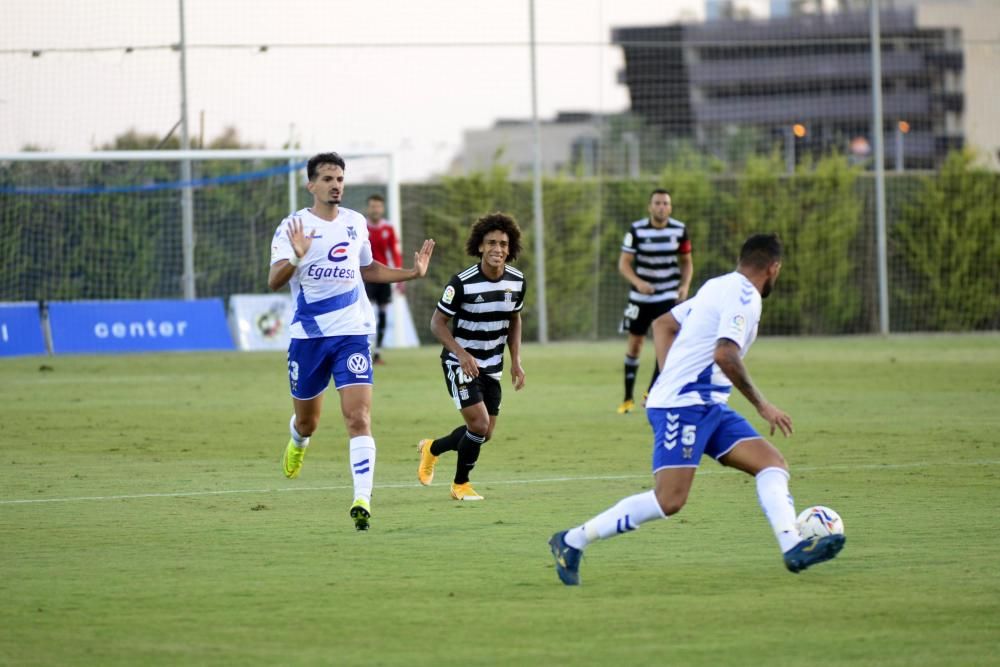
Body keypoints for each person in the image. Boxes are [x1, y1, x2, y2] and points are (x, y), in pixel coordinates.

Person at [549, 233, 846, 585]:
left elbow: (663, 324)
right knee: (669, 500)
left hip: (708, 405)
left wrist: (667, 374)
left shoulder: (716, 285)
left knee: (772, 464)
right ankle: (571, 540)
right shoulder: (745, 297)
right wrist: (762, 405)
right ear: (774, 268)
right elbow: (725, 353)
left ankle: (792, 546)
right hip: (682, 406)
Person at [268, 152, 435, 531]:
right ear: (311, 185)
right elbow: (274, 280)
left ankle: (362, 498)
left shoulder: (356, 223)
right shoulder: (293, 226)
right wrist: (296, 258)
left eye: (340, 178)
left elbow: (367, 268)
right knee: (309, 422)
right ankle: (298, 441)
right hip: (308, 338)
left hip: (352, 334)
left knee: (358, 418)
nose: (335, 185)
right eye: (327, 178)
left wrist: (411, 272)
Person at [416, 212, 526, 501]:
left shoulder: (516, 281)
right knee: (478, 425)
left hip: (492, 366)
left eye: (503, 244)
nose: (497, 249)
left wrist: (516, 361)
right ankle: (460, 485)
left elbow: (515, 320)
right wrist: (461, 354)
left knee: (484, 432)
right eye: (491, 242)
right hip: (459, 363)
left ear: (509, 248)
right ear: (480, 246)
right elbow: (436, 323)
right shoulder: (462, 283)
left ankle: (432, 448)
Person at [617, 189, 693, 415]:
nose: (661, 207)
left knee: (666, 346)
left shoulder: (679, 230)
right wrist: (638, 282)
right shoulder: (637, 230)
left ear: (670, 207)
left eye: (665, 203)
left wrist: (684, 286)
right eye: (657, 203)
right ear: (650, 207)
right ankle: (627, 398)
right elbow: (624, 264)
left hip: (667, 296)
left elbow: (687, 262)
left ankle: (651, 393)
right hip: (640, 298)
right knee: (635, 344)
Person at [363, 193, 403, 364]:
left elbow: (394, 253)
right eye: (372, 206)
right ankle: (363, 349)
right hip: (366, 276)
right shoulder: (361, 226)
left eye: (378, 206)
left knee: (383, 313)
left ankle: (377, 352)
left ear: (382, 208)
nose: (375, 209)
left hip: (384, 277)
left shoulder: (388, 228)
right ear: (368, 208)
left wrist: (400, 277)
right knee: (366, 314)